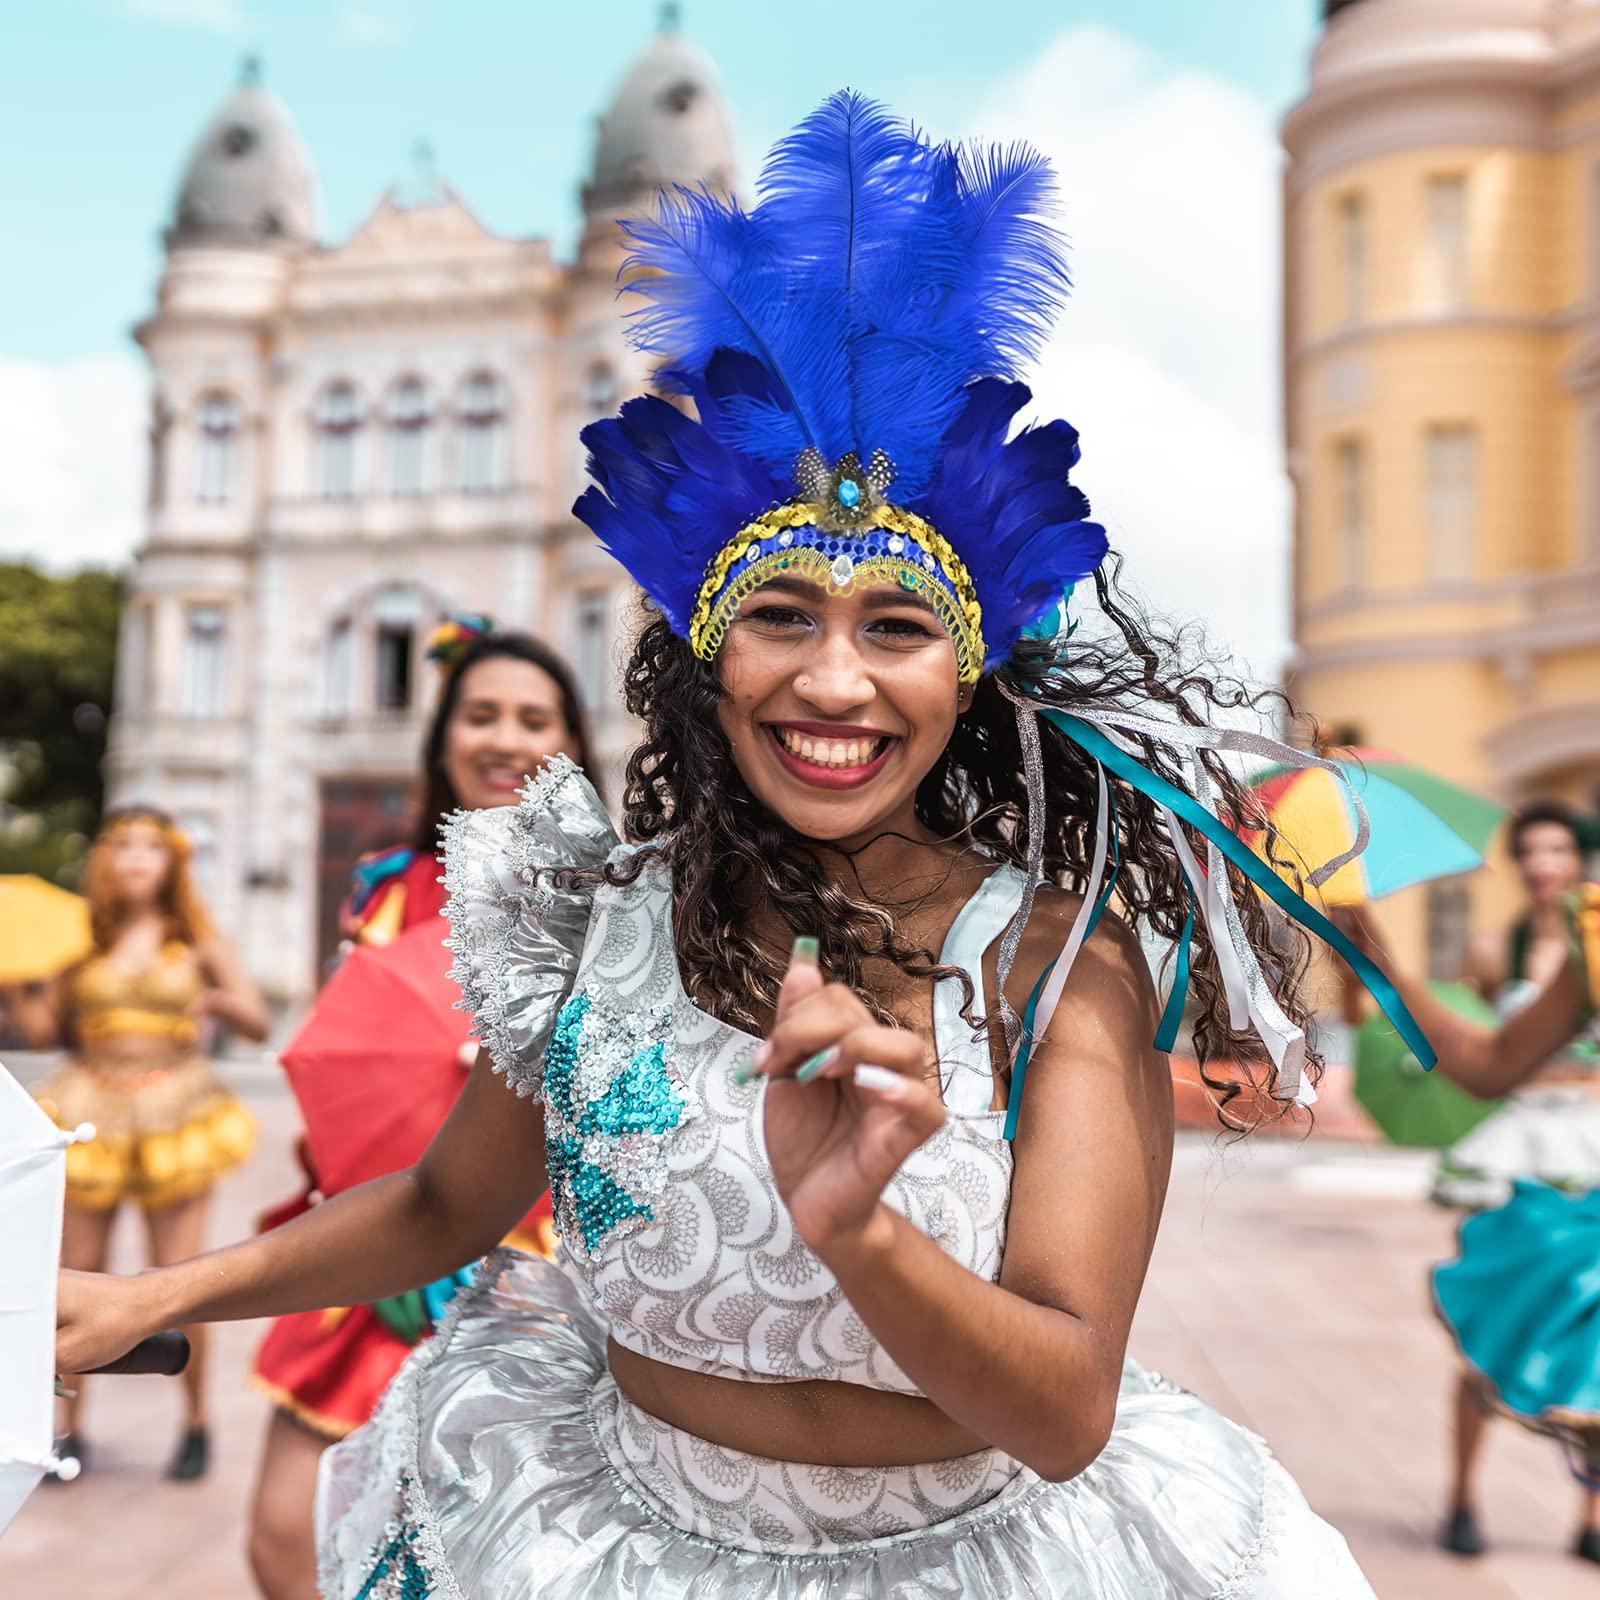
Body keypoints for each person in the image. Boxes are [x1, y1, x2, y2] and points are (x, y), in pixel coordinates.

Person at [56, 96, 1395, 1596]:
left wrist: (858, 1232)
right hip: (609, 1540)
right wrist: (145, 1297)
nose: (833, 684)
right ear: (708, 658)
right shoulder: (587, 916)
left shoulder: (1049, 960)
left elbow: (1068, 1407)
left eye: (895, 628)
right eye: (780, 619)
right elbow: (446, 1207)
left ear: (969, 680)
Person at [245, 619, 592, 1600]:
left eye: (534, 717)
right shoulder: (387, 886)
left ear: (570, 739)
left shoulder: (614, 890)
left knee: (503, 1555)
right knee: (286, 1536)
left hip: (544, 1265)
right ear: (443, 736)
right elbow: (356, 1042)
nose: (506, 738)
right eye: (480, 715)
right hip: (380, 1233)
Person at [1335, 841, 1600, 1565]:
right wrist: (1369, 951)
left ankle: (1589, 1515)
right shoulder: (1585, 936)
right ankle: (1463, 1497)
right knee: (1494, 1337)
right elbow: (1488, 1064)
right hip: (1546, 1174)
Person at [5, 807, 267, 1481]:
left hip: (175, 1106)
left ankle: (196, 1422)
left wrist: (217, 1004)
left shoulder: (196, 937)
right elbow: (42, 1032)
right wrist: (21, 985)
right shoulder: (79, 941)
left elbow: (259, 1019)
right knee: (71, 1272)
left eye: (152, 845)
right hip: (90, 1102)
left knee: (179, 1277)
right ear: (105, 859)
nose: (136, 857)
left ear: (173, 860)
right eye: (122, 844)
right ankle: (66, 1427)